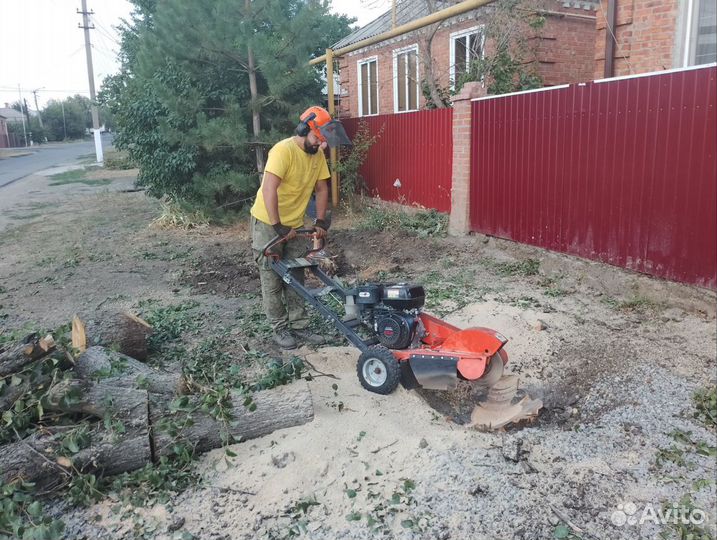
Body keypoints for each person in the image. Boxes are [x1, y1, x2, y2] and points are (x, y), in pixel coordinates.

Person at [250, 106, 350, 349]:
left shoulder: (316, 155)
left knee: (295, 277)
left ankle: (300, 326)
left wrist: (320, 221)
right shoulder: (283, 151)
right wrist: (277, 226)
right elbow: (268, 189)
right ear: (305, 129)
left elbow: (322, 188)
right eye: (317, 139)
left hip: (294, 223)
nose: (319, 145)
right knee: (272, 278)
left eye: (323, 141)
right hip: (267, 222)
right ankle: (280, 329)